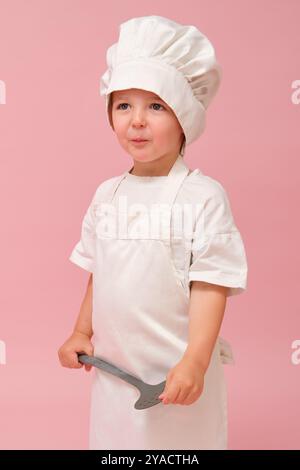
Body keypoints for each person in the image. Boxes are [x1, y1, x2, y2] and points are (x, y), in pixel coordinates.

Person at [58, 15, 248, 450]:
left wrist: (196, 362)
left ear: (185, 116)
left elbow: (211, 283)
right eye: (124, 106)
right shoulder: (108, 194)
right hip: (117, 371)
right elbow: (100, 269)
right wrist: (81, 330)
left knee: (181, 449)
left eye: (156, 106)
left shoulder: (202, 196)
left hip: (177, 371)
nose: (137, 121)